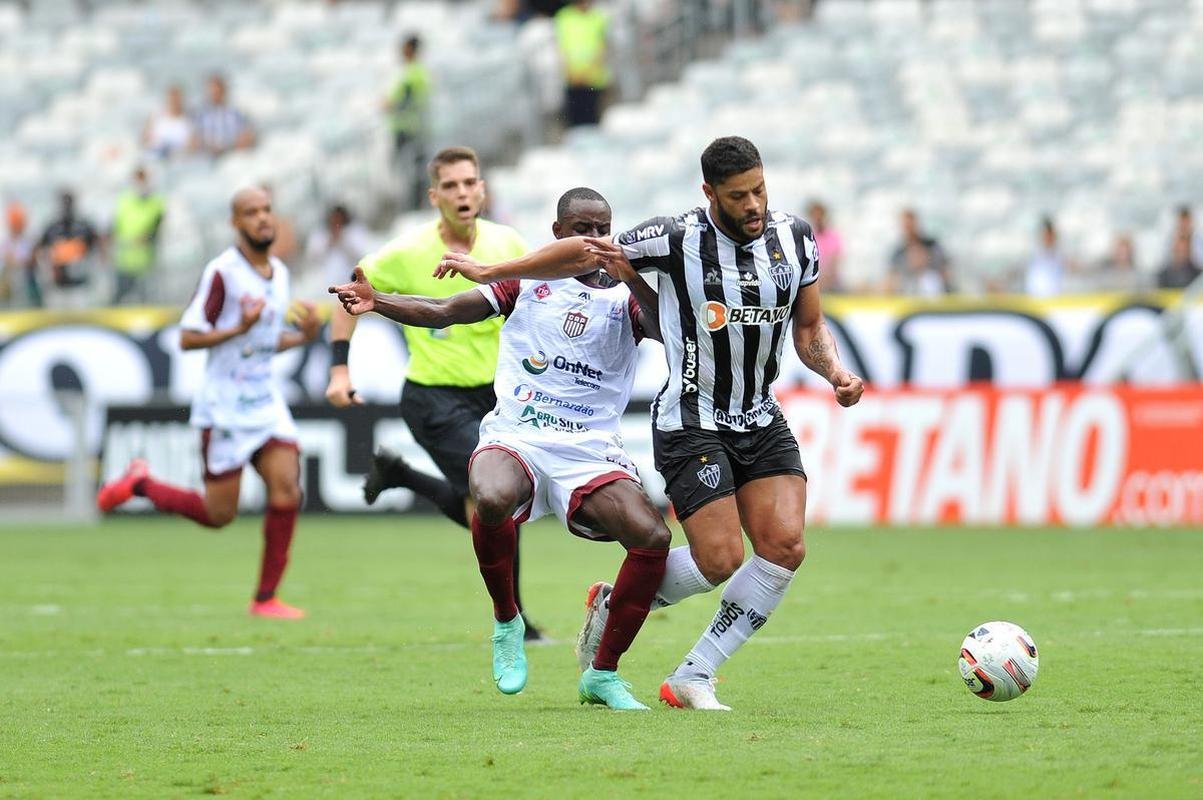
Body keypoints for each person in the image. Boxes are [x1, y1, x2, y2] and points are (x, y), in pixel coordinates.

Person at [436, 136, 865, 710]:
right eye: (739, 196)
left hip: (760, 415)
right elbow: (585, 253)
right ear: (709, 193)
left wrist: (835, 371)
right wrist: (492, 270)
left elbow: (809, 329)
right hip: (692, 418)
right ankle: (615, 607)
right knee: (720, 560)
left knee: (785, 547)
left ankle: (695, 674)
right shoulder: (675, 235)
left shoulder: (796, 238)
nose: (754, 204)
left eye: (760, 189)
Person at [331, 187, 670, 709]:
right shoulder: (525, 284)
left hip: (589, 448)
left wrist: (629, 273)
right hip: (518, 433)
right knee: (489, 496)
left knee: (652, 537)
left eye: (603, 228)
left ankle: (601, 673)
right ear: (558, 234)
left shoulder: (625, 296)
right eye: (583, 228)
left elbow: (667, 330)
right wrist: (379, 303)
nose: (594, 239)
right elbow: (444, 310)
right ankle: (508, 619)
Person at [324, 146, 546, 640]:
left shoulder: (507, 242)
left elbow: (533, 303)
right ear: (434, 196)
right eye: (451, 185)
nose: (462, 192)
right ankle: (517, 621)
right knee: (498, 498)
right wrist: (340, 369)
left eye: (470, 182)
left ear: (483, 189)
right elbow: (350, 294)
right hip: (434, 398)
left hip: (497, 398)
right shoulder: (405, 253)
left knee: (492, 504)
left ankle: (400, 474)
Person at [96, 186, 321, 619]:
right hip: (225, 407)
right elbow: (187, 336)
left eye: (267, 210)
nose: (262, 218)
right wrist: (238, 326)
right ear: (235, 223)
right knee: (219, 514)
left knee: (288, 487)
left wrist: (305, 337)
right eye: (251, 212)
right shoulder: (223, 273)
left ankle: (265, 599)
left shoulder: (279, 272)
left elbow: (264, 343)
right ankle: (141, 483)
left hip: (265, 401)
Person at [385, 35, 432, 209]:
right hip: (412, 126)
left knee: (410, 170)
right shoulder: (416, 72)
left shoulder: (412, 74)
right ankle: (415, 204)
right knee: (414, 168)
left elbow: (403, 100)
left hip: (408, 127)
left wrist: (388, 105)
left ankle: (413, 207)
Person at [110, 166, 166, 305]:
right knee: (120, 299)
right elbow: (115, 228)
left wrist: (146, 239)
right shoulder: (124, 201)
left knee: (146, 300)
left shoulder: (157, 203)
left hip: (147, 262)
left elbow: (158, 229)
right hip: (124, 261)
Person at [554, 0, 610, 127]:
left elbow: (603, 47)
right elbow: (560, 47)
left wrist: (588, 71)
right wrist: (570, 72)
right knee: (575, 123)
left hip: (594, 79)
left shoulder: (599, 16)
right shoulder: (564, 17)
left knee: (594, 123)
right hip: (572, 79)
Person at [37, 190, 100, 302]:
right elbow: (40, 250)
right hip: (58, 287)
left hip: (80, 285)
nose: (66, 206)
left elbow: (98, 246)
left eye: (69, 202)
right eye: (64, 203)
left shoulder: (84, 226)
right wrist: (48, 269)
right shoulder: (52, 227)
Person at [305, 204, 373, 294]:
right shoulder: (320, 235)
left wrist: (342, 240)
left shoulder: (355, 232)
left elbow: (361, 254)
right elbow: (312, 257)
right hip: (323, 284)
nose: (336, 222)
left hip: (348, 280)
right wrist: (329, 242)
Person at [884, 208, 951, 296]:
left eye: (910, 225)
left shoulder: (931, 245)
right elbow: (892, 278)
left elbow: (945, 270)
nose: (908, 229)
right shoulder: (898, 252)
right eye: (905, 226)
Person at [193, 74, 256, 157]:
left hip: (232, 153)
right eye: (212, 91)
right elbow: (194, 139)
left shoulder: (235, 113)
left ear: (224, 91)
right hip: (208, 154)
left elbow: (248, 134)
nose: (215, 94)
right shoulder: (201, 115)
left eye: (218, 91)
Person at [142, 84, 193, 160]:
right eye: (171, 98)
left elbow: (193, 146)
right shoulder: (157, 117)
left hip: (179, 159)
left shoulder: (188, 121)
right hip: (156, 157)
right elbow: (144, 140)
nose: (173, 101)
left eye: (176, 98)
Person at [1, 202, 37, 307]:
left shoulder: (30, 240)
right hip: (8, 287)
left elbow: (31, 261)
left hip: (26, 285)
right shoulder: (5, 242)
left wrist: (15, 261)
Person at [1024, 216, 1070, 297]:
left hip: (1053, 300)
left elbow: (1075, 267)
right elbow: (1016, 271)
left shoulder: (1060, 254)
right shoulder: (1033, 253)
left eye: (1050, 235)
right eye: (1046, 235)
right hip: (1034, 301)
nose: (1048, 238)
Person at [806, 199, 843, 293]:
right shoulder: (808, 237)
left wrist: (826, 276)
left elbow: (836, 260)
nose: (817, 219)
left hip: (831, 282)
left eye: (819, 215)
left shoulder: (834, 236)